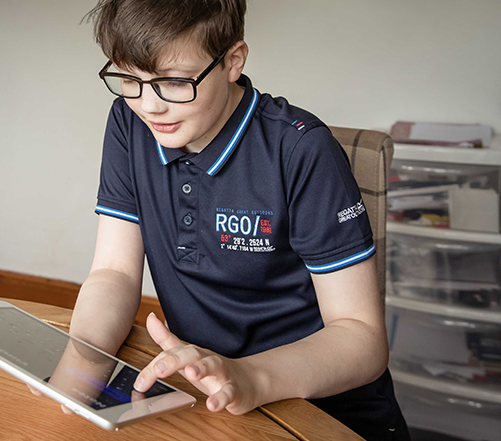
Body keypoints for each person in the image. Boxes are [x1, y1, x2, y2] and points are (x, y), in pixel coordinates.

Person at [32, 1, 410, 439]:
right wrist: (81, 367)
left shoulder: (301, 150)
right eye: (130, 79)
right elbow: (114, 271)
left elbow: (362, 339)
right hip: (204, 399)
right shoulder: (128, 122)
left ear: (233, 60)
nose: (150, 106)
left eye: (173, 82)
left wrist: (250, 377)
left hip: (318, 411)